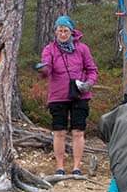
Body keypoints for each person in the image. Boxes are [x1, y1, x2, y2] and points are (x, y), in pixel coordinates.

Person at [35, 15, 98, 176]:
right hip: (57, 96)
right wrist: (43, 70)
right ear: (55, 32)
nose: (63, 34)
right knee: (59, 132)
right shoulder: (49, 49)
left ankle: (77, 167)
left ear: (71, 31)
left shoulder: (82, 49)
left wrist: (88, 83)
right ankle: (60, 167)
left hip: (80, 95)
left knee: (78, 132)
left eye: (66, 31)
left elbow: (92, 70)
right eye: (60, 31)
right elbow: (47, 68)